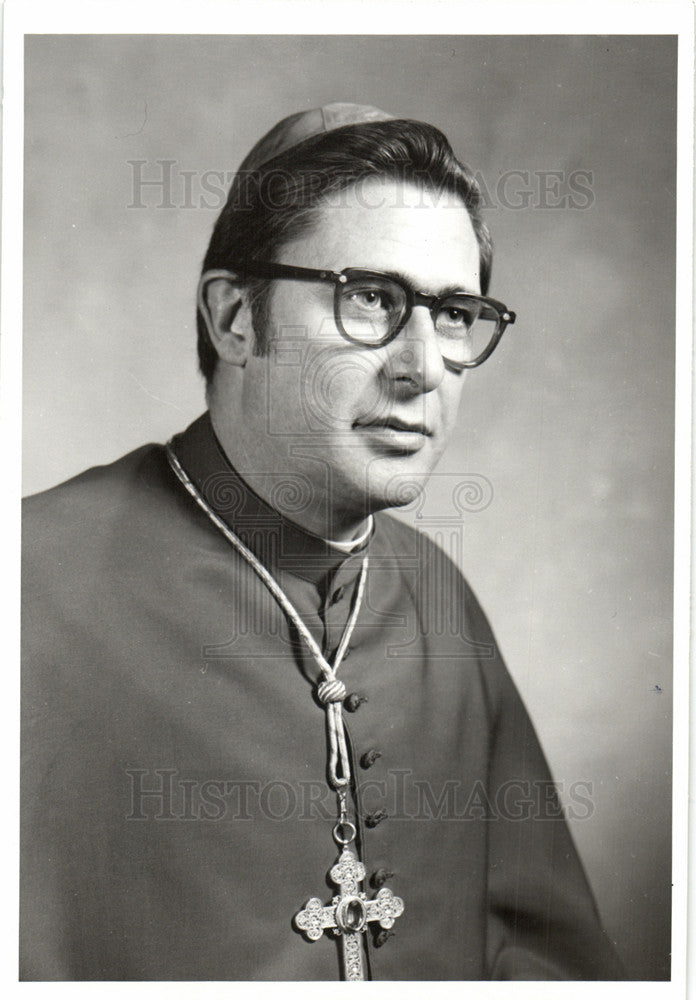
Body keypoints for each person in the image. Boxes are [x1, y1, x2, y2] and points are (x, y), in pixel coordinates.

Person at [21, 103, 624, 981]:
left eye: (454, 312)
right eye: (371, 299)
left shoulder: (437, 596)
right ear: (235, 320)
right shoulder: (30, 589)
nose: (421, 366)